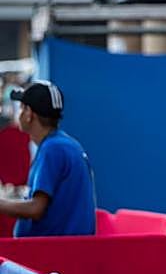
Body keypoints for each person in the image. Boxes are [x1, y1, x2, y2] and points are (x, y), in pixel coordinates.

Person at [0, 81, 96, 237]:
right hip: (61, 250)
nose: (20, 113)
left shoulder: (53, 149)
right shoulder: (62, 144)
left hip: (54, 255)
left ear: (29, 114)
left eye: (22, 107)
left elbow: (36, 209)